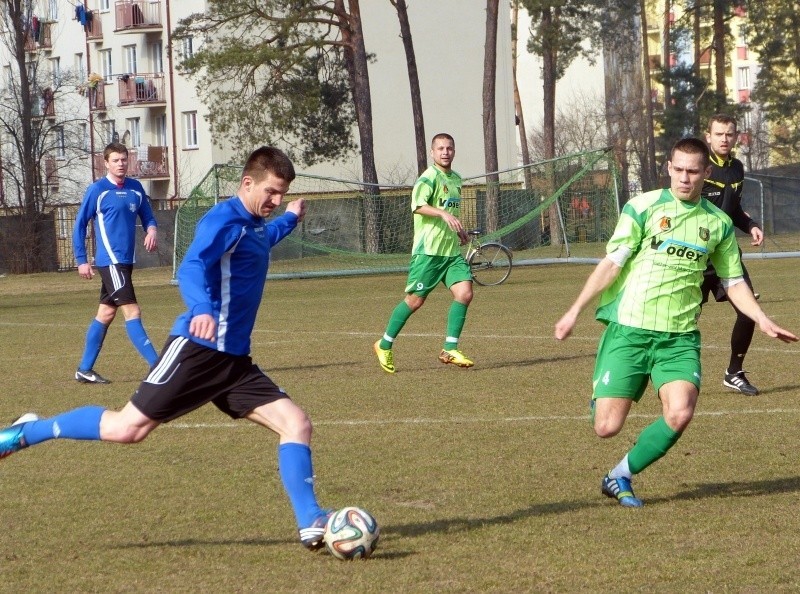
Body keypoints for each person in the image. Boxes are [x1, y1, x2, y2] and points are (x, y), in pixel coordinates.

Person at [1, 147, 333, 549]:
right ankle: (27, 431)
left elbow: (262, 240)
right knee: (128, 429)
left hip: (233, 362)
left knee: (297, 424)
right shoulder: (222, 220)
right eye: (271, 192)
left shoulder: (256, 223)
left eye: (282, 194)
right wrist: (202, 307)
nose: (275, 200)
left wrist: (290, 219)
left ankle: (311, 521)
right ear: (247, 183)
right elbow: (192, 265)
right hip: (198, 349)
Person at [554, 137, 797, 508]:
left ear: (706, 174)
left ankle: (620, 475)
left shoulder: (718, 224)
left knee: (681, 410)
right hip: (630, 329)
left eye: (693, 171)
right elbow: (612, 263)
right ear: (668, 168)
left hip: (680, 336)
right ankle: (603, 392)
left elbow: (733, 281)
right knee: (606, 427)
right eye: (678, 169)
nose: (684, 178)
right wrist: (574, 310)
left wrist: (761, 318)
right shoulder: (642, 207)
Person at [373, 132, 474, 373]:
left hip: (450, 252)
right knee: (415, 301)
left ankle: (450, 348)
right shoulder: (428, 178)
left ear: (454, 151)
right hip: (428, 253)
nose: (445, 152)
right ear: (432, 152)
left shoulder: (457, 179)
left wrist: (458, 230)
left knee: (465, 293)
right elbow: (417, 206)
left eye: (449, 148)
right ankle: (384, 344)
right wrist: (443, 214)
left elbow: (450, 210)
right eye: (440, 148)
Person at [73, 142, 159, 384]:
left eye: (124, 159)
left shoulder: (135, 188)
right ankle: (158, 366)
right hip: (109, 261)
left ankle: (84, 370)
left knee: (106, 312)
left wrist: (151, 229)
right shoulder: (97, 190)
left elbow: (148, 215)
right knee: (132, 311)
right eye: (116, 160)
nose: (121, 164)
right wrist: (81, 259)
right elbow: (79, 225)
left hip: (125, 261)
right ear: (106, 163)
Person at [701, 114, 764, 395]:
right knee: (683, 317)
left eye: (729, 134)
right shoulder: (699, 168)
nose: (724, 139)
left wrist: (750, 225)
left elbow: (733, 209)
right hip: (697, 257)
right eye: (719, 134)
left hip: (726, 255)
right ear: (708, 136)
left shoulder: (737, 168)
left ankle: (734, 372)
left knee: (749, 311)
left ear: (735, 136)